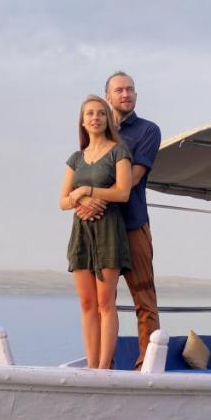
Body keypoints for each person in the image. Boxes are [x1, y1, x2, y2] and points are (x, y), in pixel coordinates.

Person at [75, 71, 162, 368]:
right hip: (98, 229)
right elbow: (81, 173)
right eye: (119, 90)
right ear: (108, 96)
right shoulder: (95, 131)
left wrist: (92, 197)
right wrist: (84, 201)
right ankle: (103, 366)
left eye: (131, 90)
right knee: (101, 303)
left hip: (133, 224)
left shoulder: (148, 131)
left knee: (143, 297)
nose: (126, 94)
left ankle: (145, 367)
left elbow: (132, 179)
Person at [60, 95, 133, 369]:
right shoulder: (75, 158)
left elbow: (123, 193)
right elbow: (63, 201)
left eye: (101, 113)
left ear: (107, 119)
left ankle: (104, 367)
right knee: (87, 304)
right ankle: (91, 366)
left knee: (105, 303)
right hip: (81, 234)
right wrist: (80, 199)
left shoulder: (119, 151)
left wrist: (87, 190)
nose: (95, 118)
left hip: (108, 232)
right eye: (90, 113)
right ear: (83, 121)